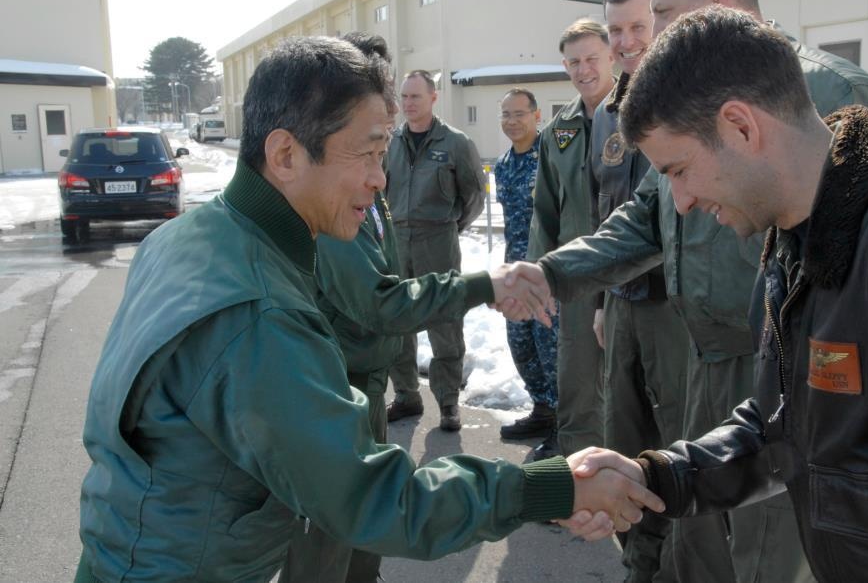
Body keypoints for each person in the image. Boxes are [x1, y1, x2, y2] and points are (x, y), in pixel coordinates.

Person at [74, 36, 661, 582]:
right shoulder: (255, 314)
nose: (381, 179)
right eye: (368, 154)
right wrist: (553, 490)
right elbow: (373, 495)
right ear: (285, 154)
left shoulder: (193, 235)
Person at [505, 0, 868, 580]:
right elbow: (644, 217)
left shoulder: (840, 93)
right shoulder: (683, 103)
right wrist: (553, 273)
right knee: (693, 538)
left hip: (789, 365)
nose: (646, 36)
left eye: (661, 14)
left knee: (769, 554)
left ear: (717, 2)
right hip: (700, 357)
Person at [583, 3, 868, 583]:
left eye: (679, 169)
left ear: (740, 125)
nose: (679, 203)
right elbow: (779, 428)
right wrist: (656, 477)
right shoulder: (789, 244)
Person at [282, 32, 543, 583]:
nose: (380, 170)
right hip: (343, 390)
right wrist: (485, 286)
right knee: (332, 544)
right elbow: (381, 304)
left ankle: (444, 403)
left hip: (371, 369)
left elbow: (471, 195)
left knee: (361, 538)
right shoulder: (331, 202)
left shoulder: (383, 173)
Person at [590, 0, 689, 583]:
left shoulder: (690, 101)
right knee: (624, 440)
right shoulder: (607, 114)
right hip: (624, 305)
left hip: (675, 307)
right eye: (615, 30)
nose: (627, 42)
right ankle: (640, 563)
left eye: (638, 27)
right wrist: (602, 299)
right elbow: (611, 218)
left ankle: (682, 564)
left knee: (682, 443)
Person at [527, 18, 616, 457]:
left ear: (611, 57)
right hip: (578, 273)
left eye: (592, 59)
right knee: (578, 377)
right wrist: (539, 275)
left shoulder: (638, 114)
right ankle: (582, 477)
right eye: (574, 61)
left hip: (634, 272)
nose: (584, 70)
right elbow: (544, 210)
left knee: (636, 380)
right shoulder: (557, 133)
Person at [384, 70, 487, 432]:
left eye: (416, 96)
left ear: (433, 98)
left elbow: (474, 195)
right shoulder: (390, 142)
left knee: (444, 320)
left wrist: (450, 226)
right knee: (398, 320)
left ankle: (447, 402)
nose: (408, 104)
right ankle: (407, 395)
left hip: (438, 241)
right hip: (397, 242)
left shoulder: (456, 142)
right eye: (404, 97)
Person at [494, 88, 561, 459]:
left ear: (537, 116)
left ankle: (563, 428)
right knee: (520, 344)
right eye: (505, 114)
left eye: (519, 113)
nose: (511, 121)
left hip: (546, 273)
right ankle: (543, 409)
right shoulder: (503, 163)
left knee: (551, 351)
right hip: (514, 272)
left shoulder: (549, 158)